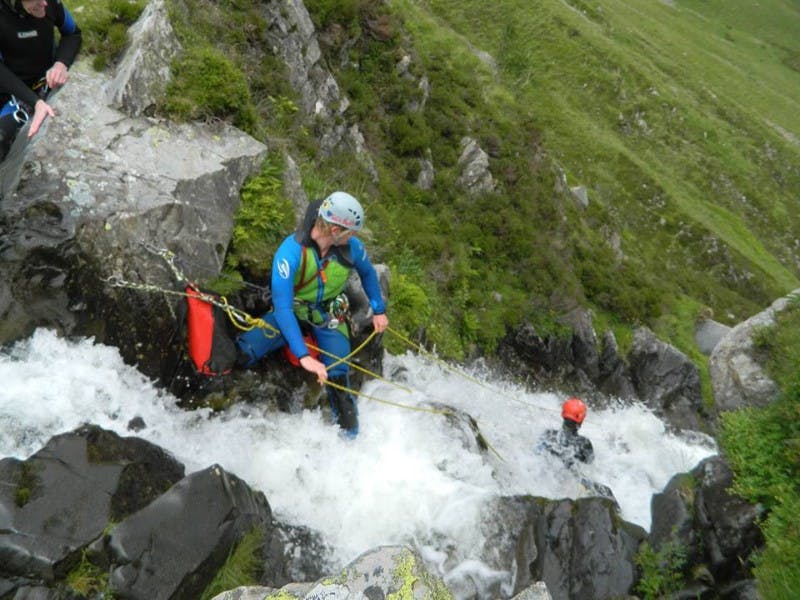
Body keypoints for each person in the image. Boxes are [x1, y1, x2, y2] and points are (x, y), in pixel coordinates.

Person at [236, 191, 389, 438]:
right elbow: (283, 307)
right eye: (352, 232)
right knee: (246, 350)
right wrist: (304, 356)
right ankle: (233, 408)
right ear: (336, 231)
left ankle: (349, 436)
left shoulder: (352, 248)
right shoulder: (291, 252)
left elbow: (369, 274)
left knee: (339, 371)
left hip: (328, 315)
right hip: (292, 311)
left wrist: (379, 310)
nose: (356, 237)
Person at [0, 0, 82, 156]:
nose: (44, 3)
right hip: (10, 93)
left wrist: (61, 63)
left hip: (42, 83)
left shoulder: (51, 4)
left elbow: (73, 33)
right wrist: (35, 102)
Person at [537, 397, 595, 468]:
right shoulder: (584, 443)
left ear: (563, 413)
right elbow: (591, 468)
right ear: (581, 420)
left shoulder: (548, 434)